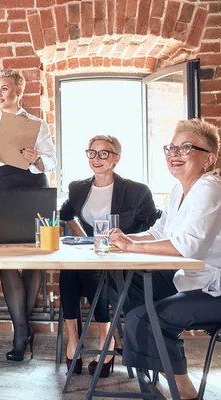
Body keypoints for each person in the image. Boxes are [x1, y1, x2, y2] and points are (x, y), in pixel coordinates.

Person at [110, 119, 221, 400]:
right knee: (129, 281)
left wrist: (131, 248)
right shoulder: (179, 190)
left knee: (145, 318)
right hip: (194, 278)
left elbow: (189, 247)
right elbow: (159, 231)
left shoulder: (210, 188)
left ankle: (183, 391)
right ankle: (156, 361)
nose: (174, 154)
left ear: (209, 159)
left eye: (185, 148)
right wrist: (127, 239)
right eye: (171, 148)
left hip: (214, 290)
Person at [0, 69, 57, 361]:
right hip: (3, 189)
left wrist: (36, 160)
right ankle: (22, 328)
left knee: (33, 259)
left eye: (4, 88)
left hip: (35, 190)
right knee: (6, 258)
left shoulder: (37, 124)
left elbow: (52, 164)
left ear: (18, 91)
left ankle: (21, 331)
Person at [58, 135, 159, 377]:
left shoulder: (136, 191)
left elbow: (154, 227)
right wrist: (84, 237)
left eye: (104, 153)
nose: (97, 158)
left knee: (91, 273)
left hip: (122, 259)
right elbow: (65, 214)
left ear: (116, 159)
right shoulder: (78, 188)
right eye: (92, 152)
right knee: (68, 271)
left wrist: (126, 242)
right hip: (91, 253)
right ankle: (74, 342)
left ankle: (107, 340)